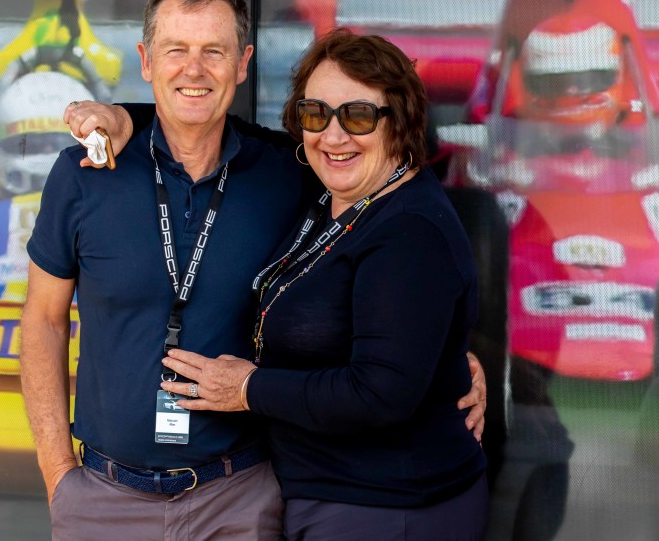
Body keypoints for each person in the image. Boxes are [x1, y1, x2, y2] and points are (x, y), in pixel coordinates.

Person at [23, 0, 485, 540]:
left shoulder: (292, 171)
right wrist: (57, 472)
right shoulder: (84, 174)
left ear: (242, 64)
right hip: (104, 498)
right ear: (146, 61)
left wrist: (448, 357)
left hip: (239, 499)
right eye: (176, 50)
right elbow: (44, 320)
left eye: (214, 52)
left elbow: (404, 261)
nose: (194, 70)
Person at [156, 29, 490, 539]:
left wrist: (247, 388)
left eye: (358, 116)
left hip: (387, 507)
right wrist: (121, 117)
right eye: (315, 114)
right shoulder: (330, 196)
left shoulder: (409, 230)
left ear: (400, 121)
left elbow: (379, 394)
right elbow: (208, 127)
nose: (333, 136)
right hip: (327, 495)